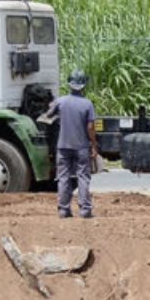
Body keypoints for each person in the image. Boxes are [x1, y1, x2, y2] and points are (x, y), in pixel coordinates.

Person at [46, 70, 98, 219]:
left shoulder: (61, 101)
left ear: (69, 84)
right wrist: (94, 145)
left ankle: (63, 210)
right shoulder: (87, 104)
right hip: (81, 147)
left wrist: (52, 107)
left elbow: (48, 115)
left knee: (63, 177)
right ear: (83, 86)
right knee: (82, 177)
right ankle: (85, 210)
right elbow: (90, 128)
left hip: (63, 146)